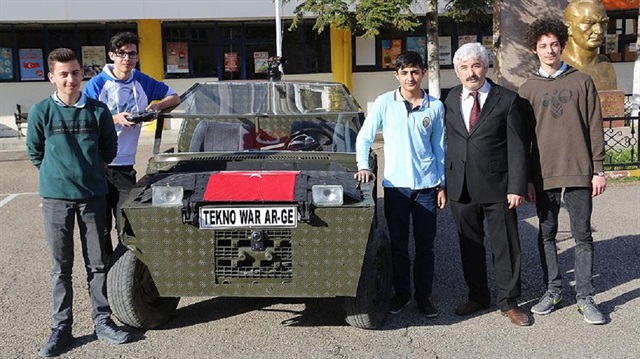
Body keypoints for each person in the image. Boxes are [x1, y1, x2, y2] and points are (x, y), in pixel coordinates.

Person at [26, 48, 131, 357]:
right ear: (52, 77)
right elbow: (35, 151)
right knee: (61, 266)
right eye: (63, 73)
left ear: (81, 73)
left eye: (74, 72)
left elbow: (108, 149)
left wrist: (89, 171)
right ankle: (62, 329)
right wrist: (57, 174)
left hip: (93, 198)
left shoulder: (98, 111)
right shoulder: (41, 111)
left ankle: (103, 321)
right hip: (56, 198)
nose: (70, 79)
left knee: (98, 263)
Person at [519, 18, 607, 325]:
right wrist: (527, 178)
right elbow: (524, 140)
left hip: (581, 171)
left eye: (554, 44)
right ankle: (553, 289)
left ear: (562, 45)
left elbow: (594, 126)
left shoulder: (582, 81)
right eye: (543, 45)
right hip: (544, 175)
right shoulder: (527, 89)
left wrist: (599, 169)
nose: (549, 50)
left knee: (583, 236)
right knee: (547, 235)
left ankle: (585, 296)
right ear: (535, 49)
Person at [444, 42, 531, 326]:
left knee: (505, 245)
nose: (471, 72)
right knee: (469, 245)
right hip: (461, 187)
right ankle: (477, 295)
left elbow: (518, 147)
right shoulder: (448, 99)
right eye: (465, 67)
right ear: (457, 70)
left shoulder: (507, 99)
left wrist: (516, 186)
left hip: (498, 186)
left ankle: (509, 301)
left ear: (487, 67)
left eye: (476, 65)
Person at [355, 51, 446, 317]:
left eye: (415, 71)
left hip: (426, 187)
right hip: (395, 187)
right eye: (404, 72)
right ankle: (402, 293)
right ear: (396, 75)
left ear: (424, 74)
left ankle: (424, 296)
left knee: (425, 245)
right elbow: (364, 137)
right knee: (398, 245)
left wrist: (442, 184)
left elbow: (440, 148)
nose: (410, 77)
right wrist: (363, 166)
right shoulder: (385, 102)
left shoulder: (435, 106)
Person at [84, 32, 180, 259]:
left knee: (127, 225)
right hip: (98, 165)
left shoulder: (142, 80)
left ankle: (123, 274)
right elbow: (85, 118)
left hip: (125, 165)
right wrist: (114, 118)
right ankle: (104, 277)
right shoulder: (98, 83)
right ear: (112, 56)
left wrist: (157, 107)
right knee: (100, 228)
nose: (126, 59)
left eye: (132, 54)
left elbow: (174, 97)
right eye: (121, 54)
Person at [561, 0, 617, 91]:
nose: (599, 31)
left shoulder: (606, 65)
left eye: (603, 23)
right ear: (569, 27)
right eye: (589, 23)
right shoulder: (557, 66)